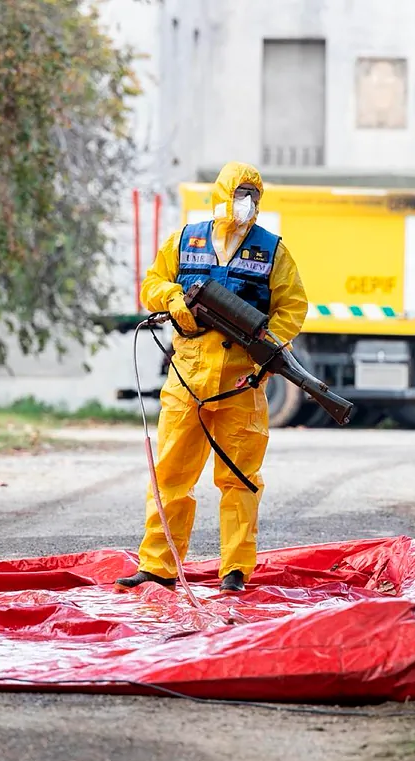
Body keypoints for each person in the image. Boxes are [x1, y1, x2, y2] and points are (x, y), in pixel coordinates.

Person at [116, 162, 308, 593]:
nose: (246, 204)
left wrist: (266, 347)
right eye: (240, 194)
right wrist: (173, 298)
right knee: (170, 475)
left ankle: (235, 569)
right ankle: (158, 566)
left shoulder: (272, 251)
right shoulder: (186, 240)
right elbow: (152, 284)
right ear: (223, 194)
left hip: (241, 383)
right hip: (187, 380)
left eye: (253, 196)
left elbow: (292, 307)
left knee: (240, 478)